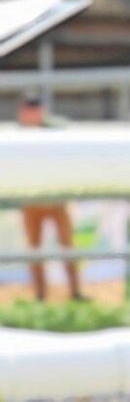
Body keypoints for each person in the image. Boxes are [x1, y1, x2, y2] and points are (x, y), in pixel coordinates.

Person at [16, 94, 85, 302]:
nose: (31, 115)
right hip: (31, 200)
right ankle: (40, 295)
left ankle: (75, 291)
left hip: (57, 197)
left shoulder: (54, 129)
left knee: (68, 246)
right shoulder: (18, 136)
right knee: (34, 249)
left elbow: (68, 139)